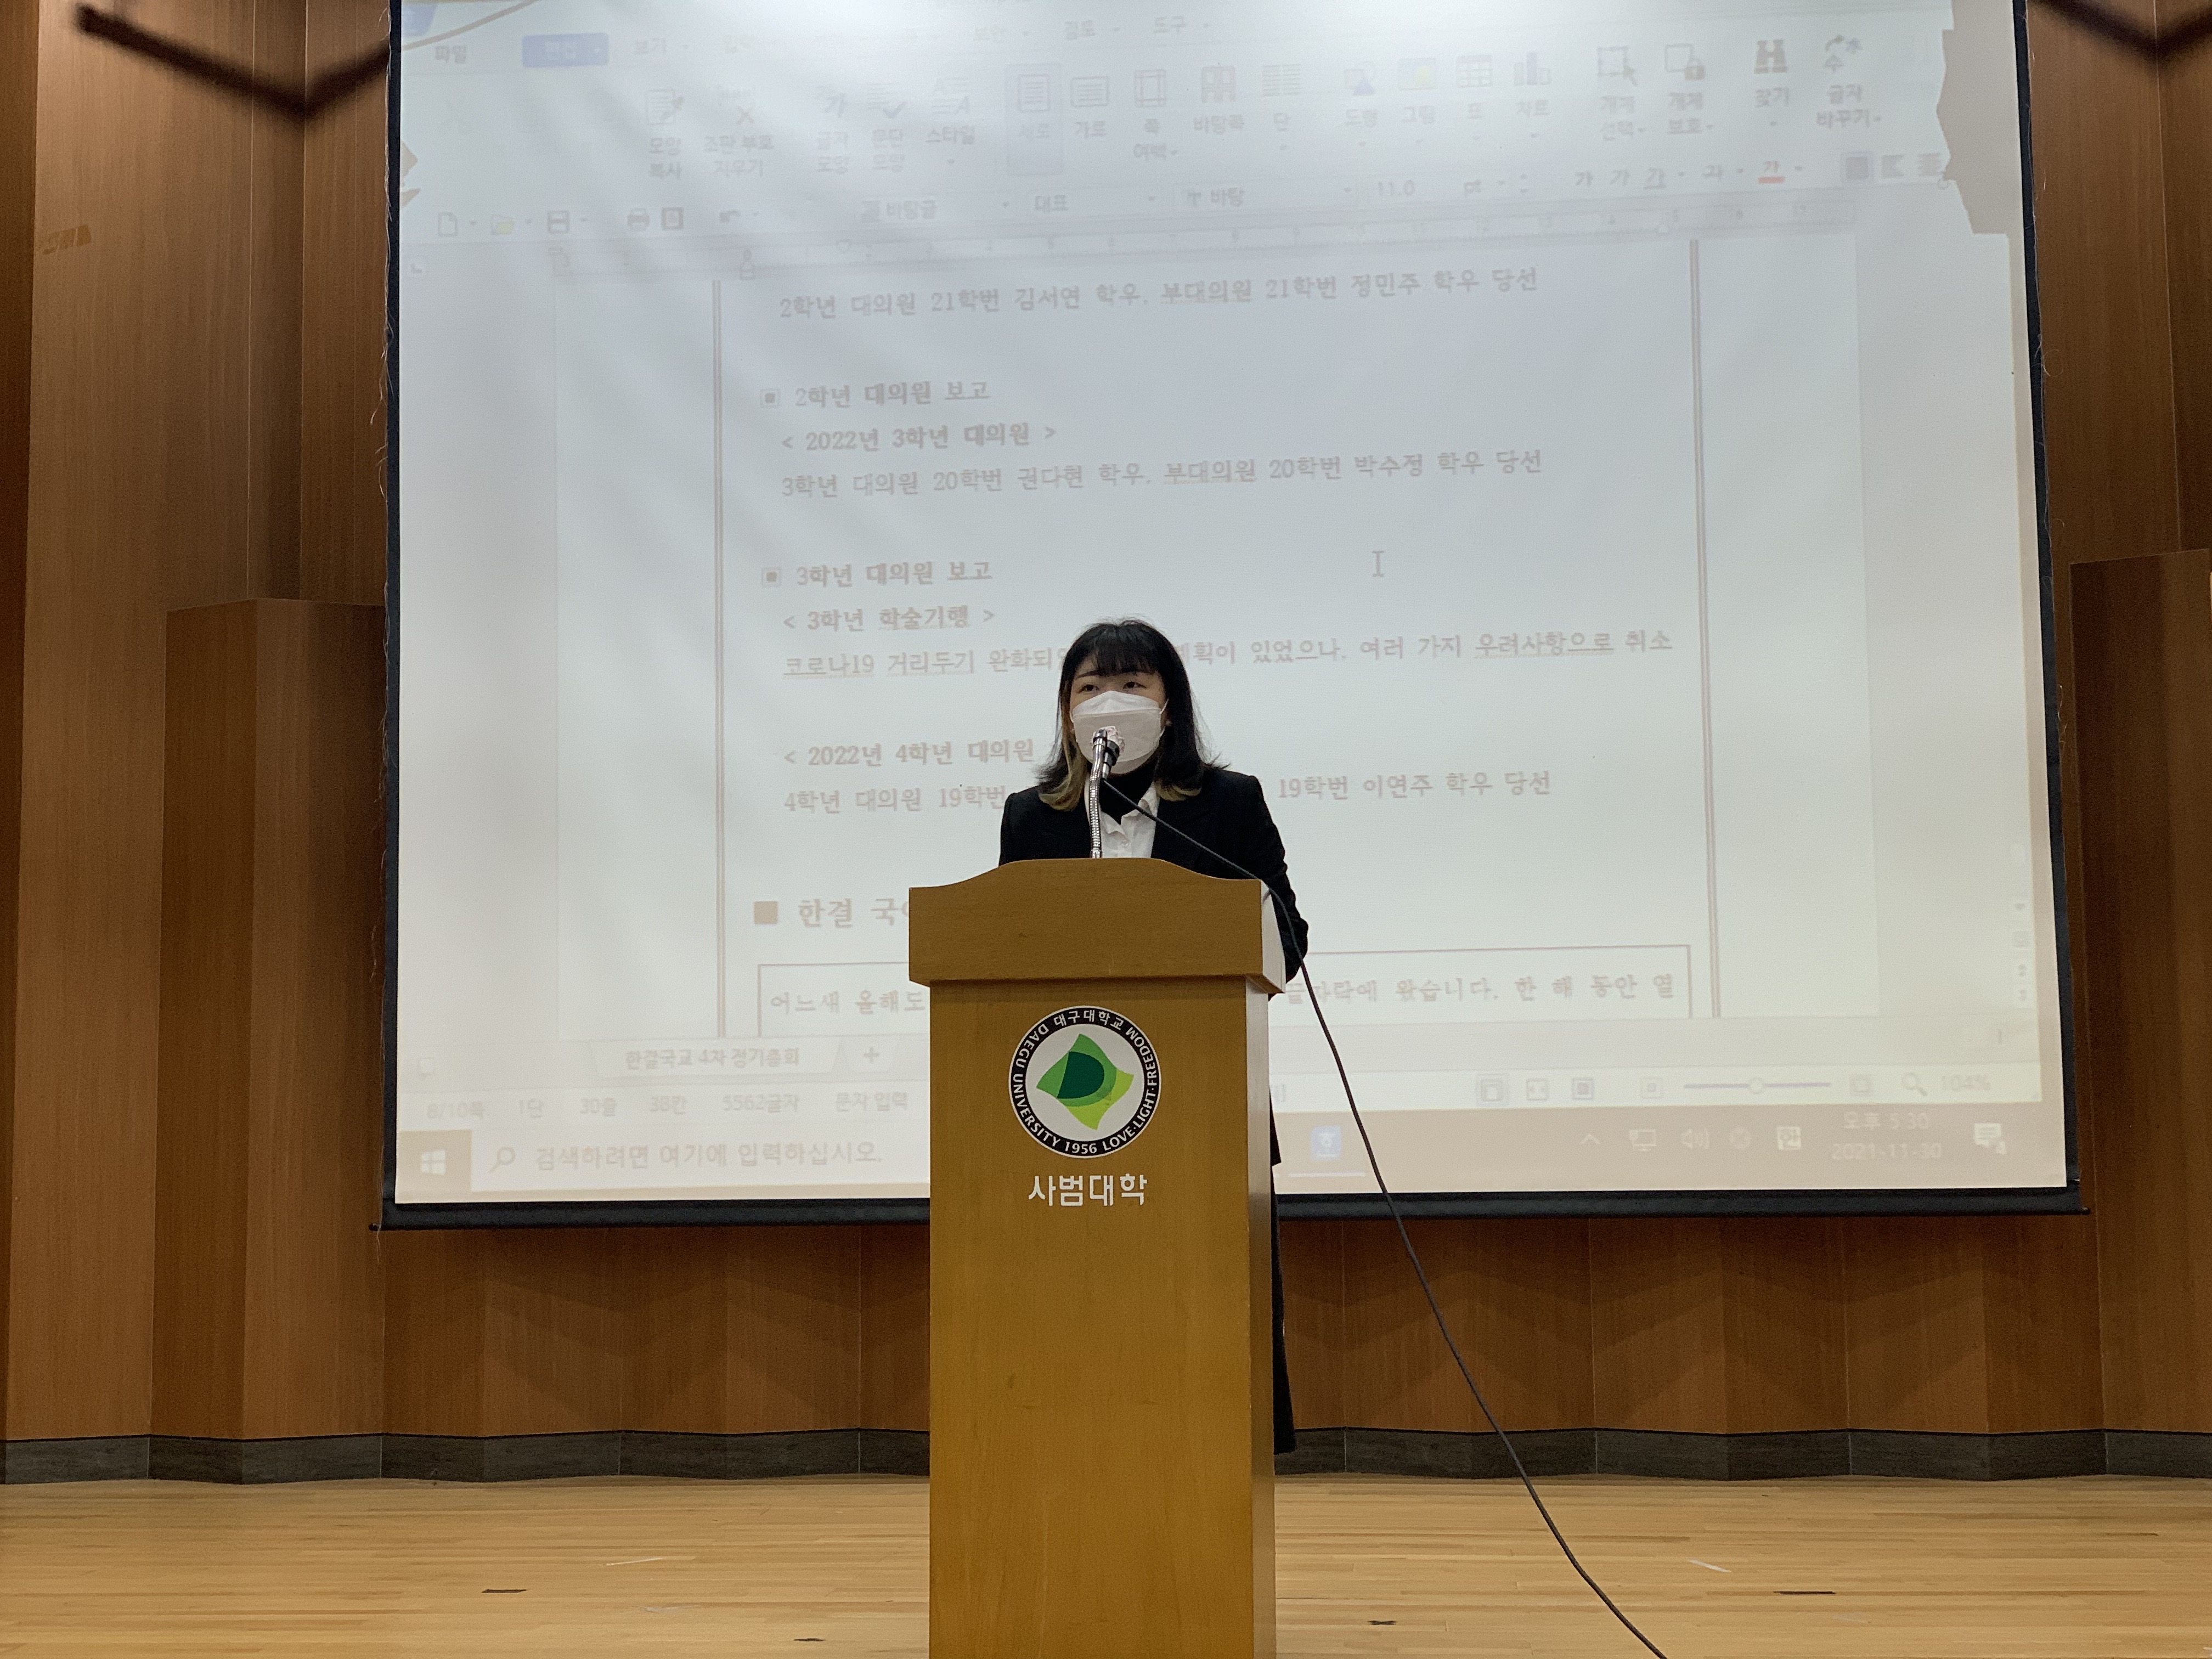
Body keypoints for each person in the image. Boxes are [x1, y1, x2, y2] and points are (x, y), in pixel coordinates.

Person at [998, 618, 1309, 1457]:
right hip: (1070, 1123)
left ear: (1170, 706)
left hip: (1206, 1102)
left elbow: (1288, 939)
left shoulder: (1229, 802)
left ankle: (1217, 1452)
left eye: (1132, 684)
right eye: (1090, 686)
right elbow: (1002, 950)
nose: (1111, 701)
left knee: (1210, 1301)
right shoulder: (1031, 817)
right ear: (1065, 710)